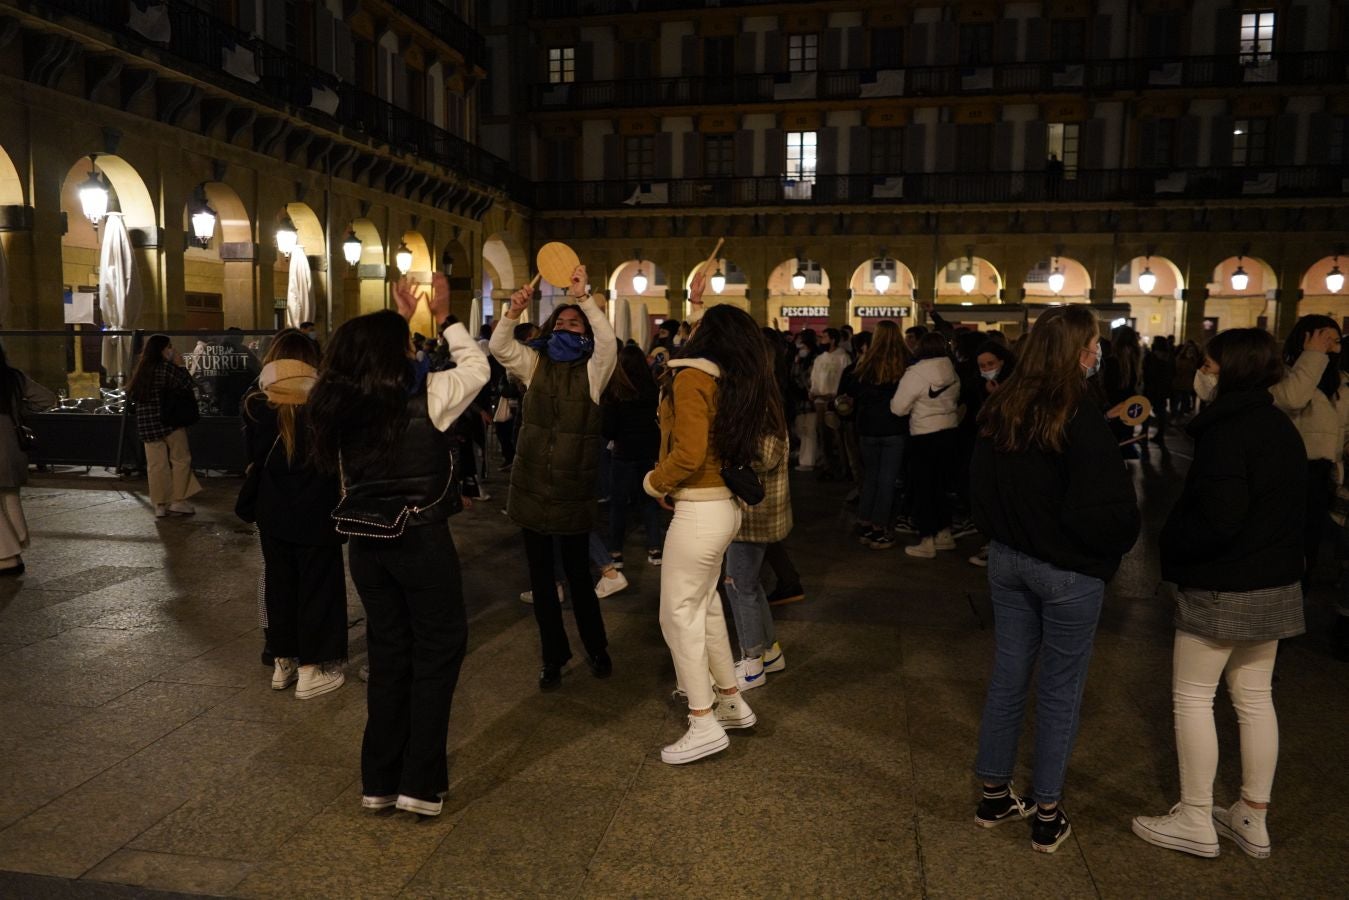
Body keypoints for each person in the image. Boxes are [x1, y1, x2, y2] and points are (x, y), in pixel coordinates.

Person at [307, 273, 489, 817]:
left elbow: (379, 365)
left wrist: (404, 322)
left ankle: (379, 781)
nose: (413, 351)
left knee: (389, 656)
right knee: (437, 651)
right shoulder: (430, 394)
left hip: (365, 544)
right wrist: (442, 316)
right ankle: (420, 783)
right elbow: (478, 367)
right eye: (407, 345)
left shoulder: (335, 403)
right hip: (420, 537)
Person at [969, 305, 1140, 853]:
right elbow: (1104, 506)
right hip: (1066, 570)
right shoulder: (1077, 414)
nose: (1097, 353)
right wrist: (1104, 555)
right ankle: (1047, 811)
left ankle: (994, 794)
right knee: (1061, 690)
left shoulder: (1002, 406)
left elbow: (977, 487)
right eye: (1092, 344)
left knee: (1009, 673)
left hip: (1009, 559)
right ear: (1076, 351)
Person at [1131, 328, 1305, 860]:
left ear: (1228, 369)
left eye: (1208, 363)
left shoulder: (1227, 432)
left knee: (1194, 697)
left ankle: (1194, 815)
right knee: (1254, 699)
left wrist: (1173, 545)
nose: (1200, 371)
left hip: (1222, 584)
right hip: (1274, 580)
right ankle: (1253, 814)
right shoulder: (1279, 426)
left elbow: (1219, 516)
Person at [644, 273, 776, 765]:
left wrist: (654, 481)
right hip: (723, 507)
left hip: (698, 507)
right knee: (707, 608)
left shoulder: (691, 376)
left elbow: (689, 451)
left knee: (677, 614)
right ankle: (730, 701)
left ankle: (702, 722)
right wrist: (696, 302)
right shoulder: (727, 378)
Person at [489, 265, 618, 691]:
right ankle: (553, 656)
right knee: (543, 582)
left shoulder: (595, 372)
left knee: (580, 579)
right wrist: (512, 312)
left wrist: (584, 299)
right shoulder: (535, 363)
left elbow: (608, 344)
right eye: (559, 321)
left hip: (571, 491)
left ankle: (596, 648)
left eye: (573, 323)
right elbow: (499, 347)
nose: (565, 327)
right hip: (531, 489)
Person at [242, 331, 346, 700]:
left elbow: (251, 458)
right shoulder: (326, 404)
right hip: (318, 512)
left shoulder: (256, 404)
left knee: (280, 587)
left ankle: (283, 662)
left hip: (272, 512)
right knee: (318, 588)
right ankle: (311, 670)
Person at [724, 352, 792, 691]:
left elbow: (762, 457)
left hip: (753, 514)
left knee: (738, 585)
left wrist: (725, 446)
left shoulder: (760, 413)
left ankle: (752, 662)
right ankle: (769, 651)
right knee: (748, 583)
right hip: (758, 513)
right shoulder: (767, 407)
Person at [890, 332, 960, 558]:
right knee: (941, 486)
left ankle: (926, 539)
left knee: (923, 487)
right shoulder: (951, 369)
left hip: (924, 434)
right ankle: (944, 534)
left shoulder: (916, 373)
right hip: (949, 431)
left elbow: (898, 407)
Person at [840, 320, 907, 549]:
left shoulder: (865, 362)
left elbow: (851, 389)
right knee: (887, 480)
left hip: (867, 427)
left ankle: (865, 522)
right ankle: (881, 528)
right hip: (894, 427)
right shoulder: (905, 362)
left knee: (870, 478)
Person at [604, 345, 665, 568]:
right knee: (649, 501)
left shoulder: (616, 391)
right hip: (649, 451)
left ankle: (615, 552)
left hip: (623, 453)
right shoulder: (653, 388)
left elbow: (608, 429)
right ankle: (655, 549)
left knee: (618, 504)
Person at [128, 334, 202, 518]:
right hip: (170, 422)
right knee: (181, 459)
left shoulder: (141, 371)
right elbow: (187, 384)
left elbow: (132, 396)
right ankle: (178, 501)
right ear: (162, 350)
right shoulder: (166, 369)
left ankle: (160, 504)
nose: (172, 350)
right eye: (169, 347)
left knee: (156, 465)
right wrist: (181, 365)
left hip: (147, 425)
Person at [0, 345, 56, 576]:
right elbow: (47, 399)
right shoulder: (13, 377)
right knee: (9, 495)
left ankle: (7, 557)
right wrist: (18, 408)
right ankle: (18, 541)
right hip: (11, 444)